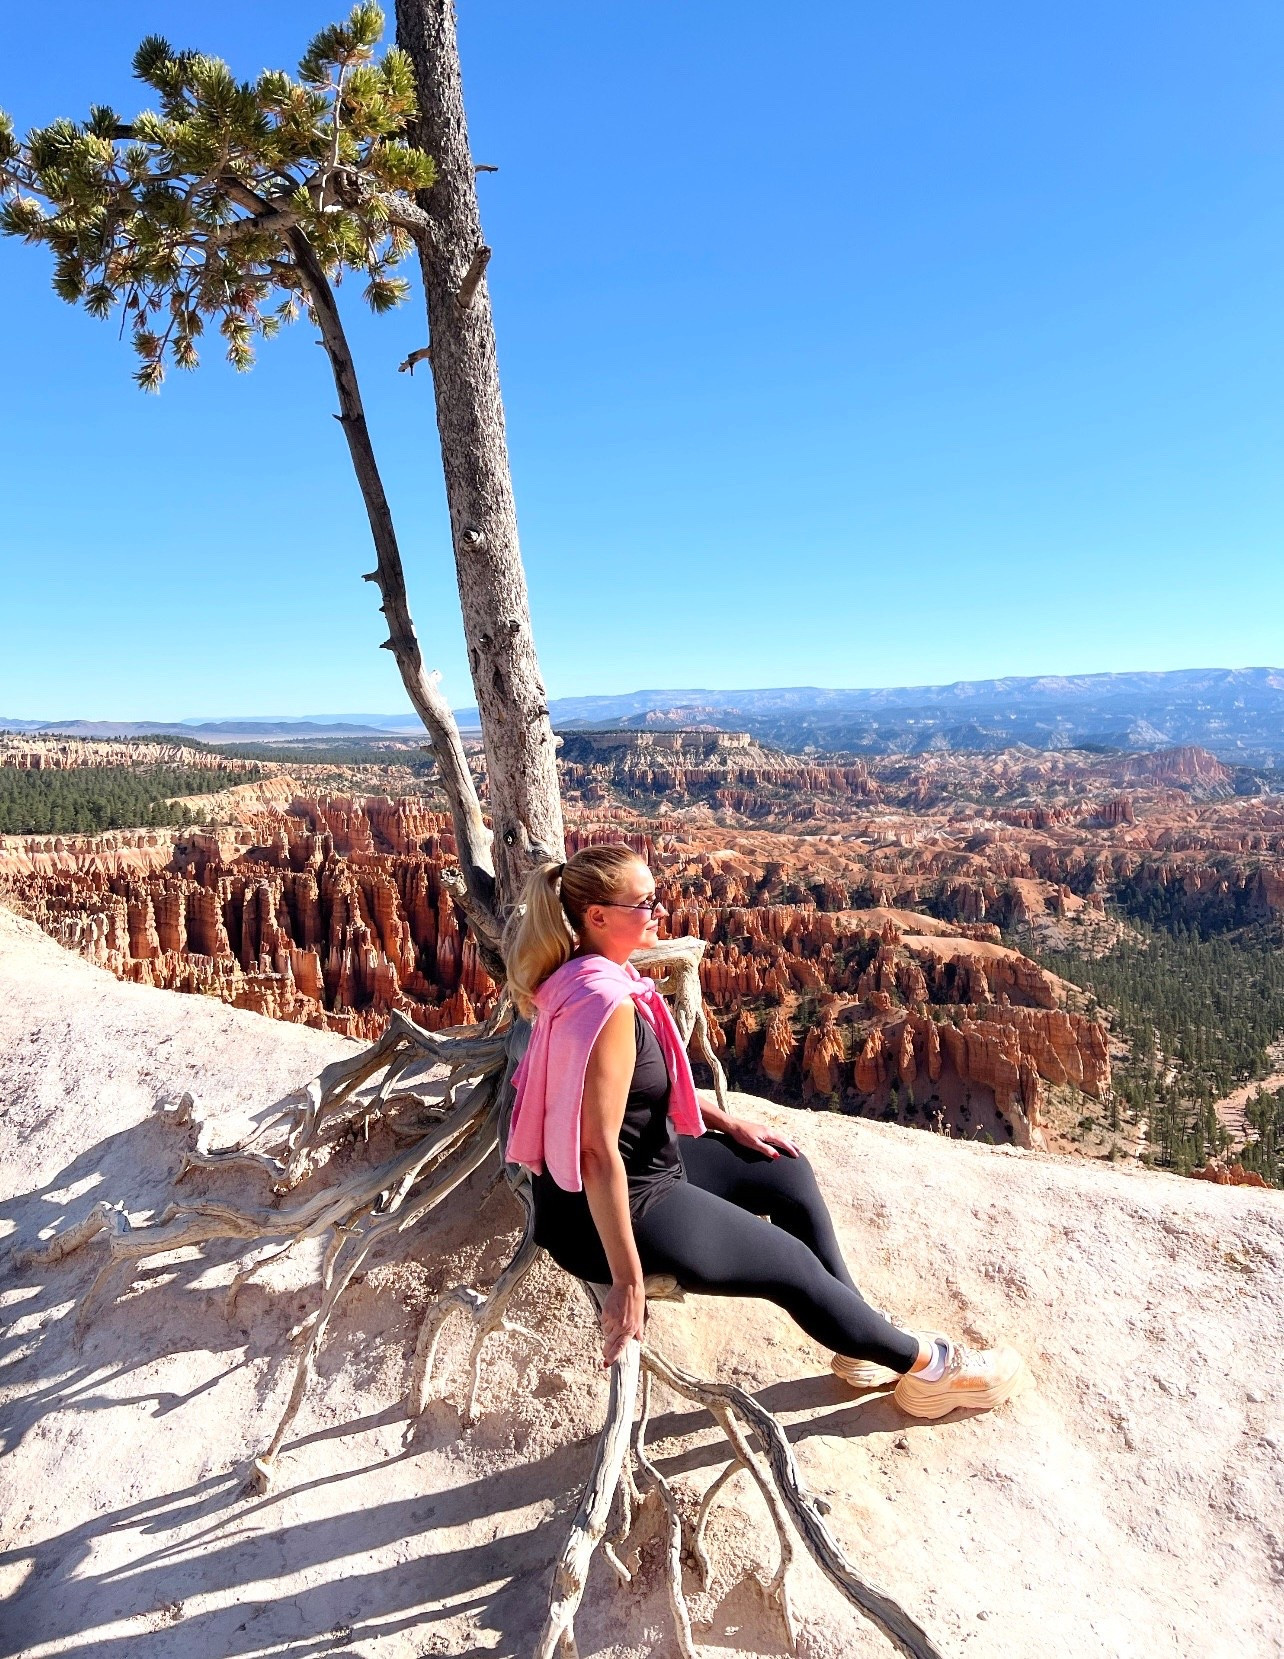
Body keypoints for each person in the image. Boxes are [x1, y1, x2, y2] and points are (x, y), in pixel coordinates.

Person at [502, 844, 1025, 1420]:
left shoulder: (591, 977)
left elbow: (635, 1085)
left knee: (786, 1170)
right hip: (610, 1207)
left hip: (647, 1167)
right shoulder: (604, 1002)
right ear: (597, 917)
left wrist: (724, 1121)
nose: (659, 911)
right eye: (644, 902)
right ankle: (933, 1369)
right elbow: (597, 1152)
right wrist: (626, 1281)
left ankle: (861, 1344)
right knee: (792, 1267)